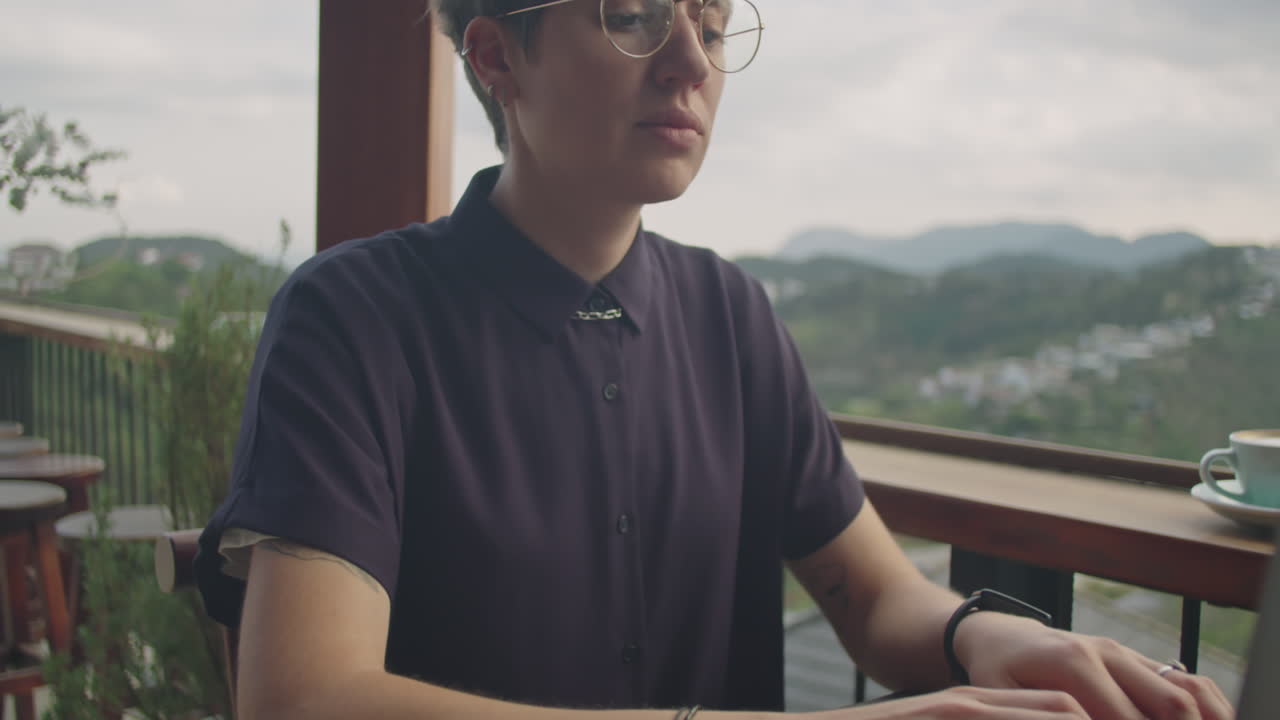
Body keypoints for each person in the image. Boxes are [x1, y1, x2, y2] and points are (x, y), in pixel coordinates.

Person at [194, 1, 1235, 718]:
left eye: (711, 21)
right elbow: (304, 699)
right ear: (496, 57)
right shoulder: (354, 317)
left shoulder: (726, 312)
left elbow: (870, 596)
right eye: (634, 14)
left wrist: (984, 637)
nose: (690, 62)